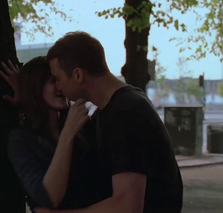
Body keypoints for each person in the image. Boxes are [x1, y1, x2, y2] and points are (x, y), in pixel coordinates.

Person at [34, 31, 183, 213]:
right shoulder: (109, 111)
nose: (57, 86)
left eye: (58, 78)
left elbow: (127, 206)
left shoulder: (127, 113)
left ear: (78, 75)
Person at [0, 57, 103, 212]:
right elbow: (48, 197)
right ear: (35, 87)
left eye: (61, 80)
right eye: (52, 81)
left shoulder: (84, 127)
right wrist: (68, 133)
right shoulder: (21, 140)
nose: (60, 87)